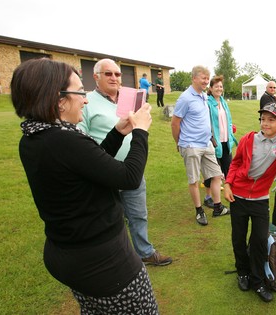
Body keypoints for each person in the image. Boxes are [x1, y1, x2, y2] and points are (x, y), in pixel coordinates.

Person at [11, 58, 159, 313]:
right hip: (104, 263)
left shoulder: (35, 138)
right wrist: (140, 132)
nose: (86, 99)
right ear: (59, 100)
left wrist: (117, 133)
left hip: (70, 255)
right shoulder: (64, 140)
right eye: (80, 92)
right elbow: (128, 177)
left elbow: (90, 165)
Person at [78, 58, 172, 266]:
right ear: (96, 77)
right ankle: (117, 259)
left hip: (132, 169)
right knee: (110, 221)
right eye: (108, 74)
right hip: (103, 174)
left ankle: (145, 252)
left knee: (139, 215)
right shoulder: (86, 102)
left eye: (117, 74)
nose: (114, 78)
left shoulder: (130, 99)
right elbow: (81, 139)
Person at [224, 103, 276, 303]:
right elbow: (236, 162)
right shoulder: (248, 139)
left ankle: (258, 281)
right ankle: (243, 272)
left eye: (271, 120)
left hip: (260, 199)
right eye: (263, 119)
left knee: (258, 240)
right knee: (238, 237)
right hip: (238, 196)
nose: (265, 124)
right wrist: (228, 184)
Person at [171, 65, 229, 226]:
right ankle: (199, 211)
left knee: (216, 175)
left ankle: (217, 207)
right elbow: (175, 123)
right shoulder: (185, 98)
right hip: (191, 145)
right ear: (194, 78)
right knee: (194, 180)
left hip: (206, 143)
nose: (206, 81)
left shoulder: (203, 96)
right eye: (203, 78)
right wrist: (179, 143)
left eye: (207, 78)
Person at [202, 75, 237, 208]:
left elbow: (228, 120)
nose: (219, 88)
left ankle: (230, 193)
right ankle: (208, 196)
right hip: (213, 142)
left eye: (221, 86)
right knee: (212, 172)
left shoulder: (223, 102)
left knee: (229, 169)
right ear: (211, 88)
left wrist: (231, 135)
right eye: (216, 86)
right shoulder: (207, 103)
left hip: (226, 141)